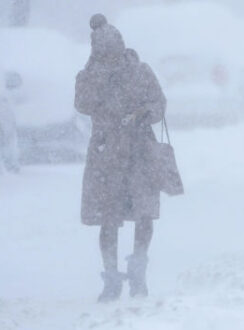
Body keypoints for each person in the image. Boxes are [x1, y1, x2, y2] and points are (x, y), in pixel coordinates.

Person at [74, 14, 166, 302]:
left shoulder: (140, 71)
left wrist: (142, 115)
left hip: (135, 153)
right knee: (108, 218)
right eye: (103, 53)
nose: (110, 58)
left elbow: (158, 104)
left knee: (143, 213)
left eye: (112, 52)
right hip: (107, 156)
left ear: (121, 47)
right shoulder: (90, 75)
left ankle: (137, 274)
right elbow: (82, 104)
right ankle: (112, 278)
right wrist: (94, 72)